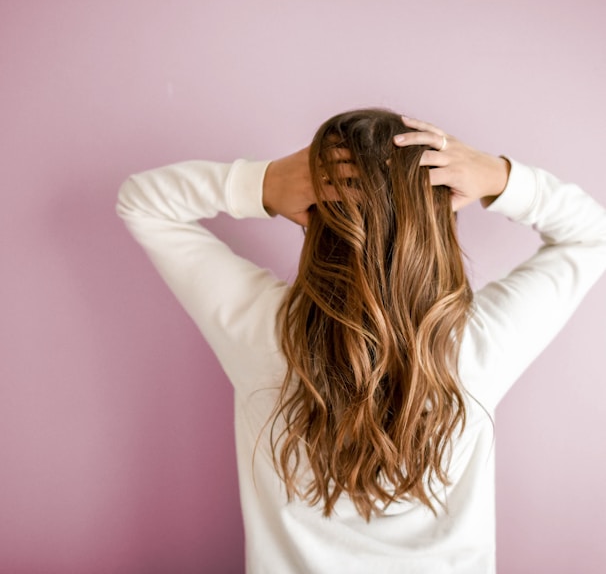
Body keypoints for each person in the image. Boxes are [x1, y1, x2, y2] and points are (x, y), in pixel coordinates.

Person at [116, 109, 606, 573]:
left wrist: (262, 184)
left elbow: (142, 201)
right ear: (437, 220)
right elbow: (592, 235)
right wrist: (498, 177)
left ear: (314, 213)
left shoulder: (264, 331)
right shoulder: (477, 346)